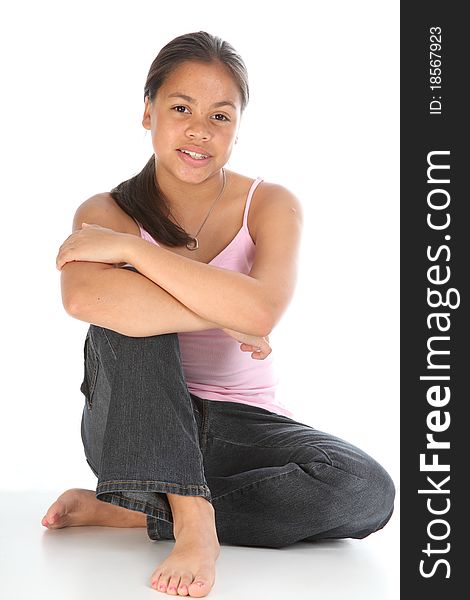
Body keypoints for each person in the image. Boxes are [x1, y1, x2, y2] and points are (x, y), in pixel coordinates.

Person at [42, 31, 395, 598]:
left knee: (365, 489)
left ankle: (143, 511)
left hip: (242, 426)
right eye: (180, 108)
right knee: (128, 317)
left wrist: (137, 253)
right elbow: (84, 299)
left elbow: (261, 311)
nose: (199, 130)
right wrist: (220, 312)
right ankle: (193, 519)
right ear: (147, 111)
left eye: (220, 116)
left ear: (237, 129)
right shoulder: (105, 210)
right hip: (132, 424)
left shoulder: (271, 203)